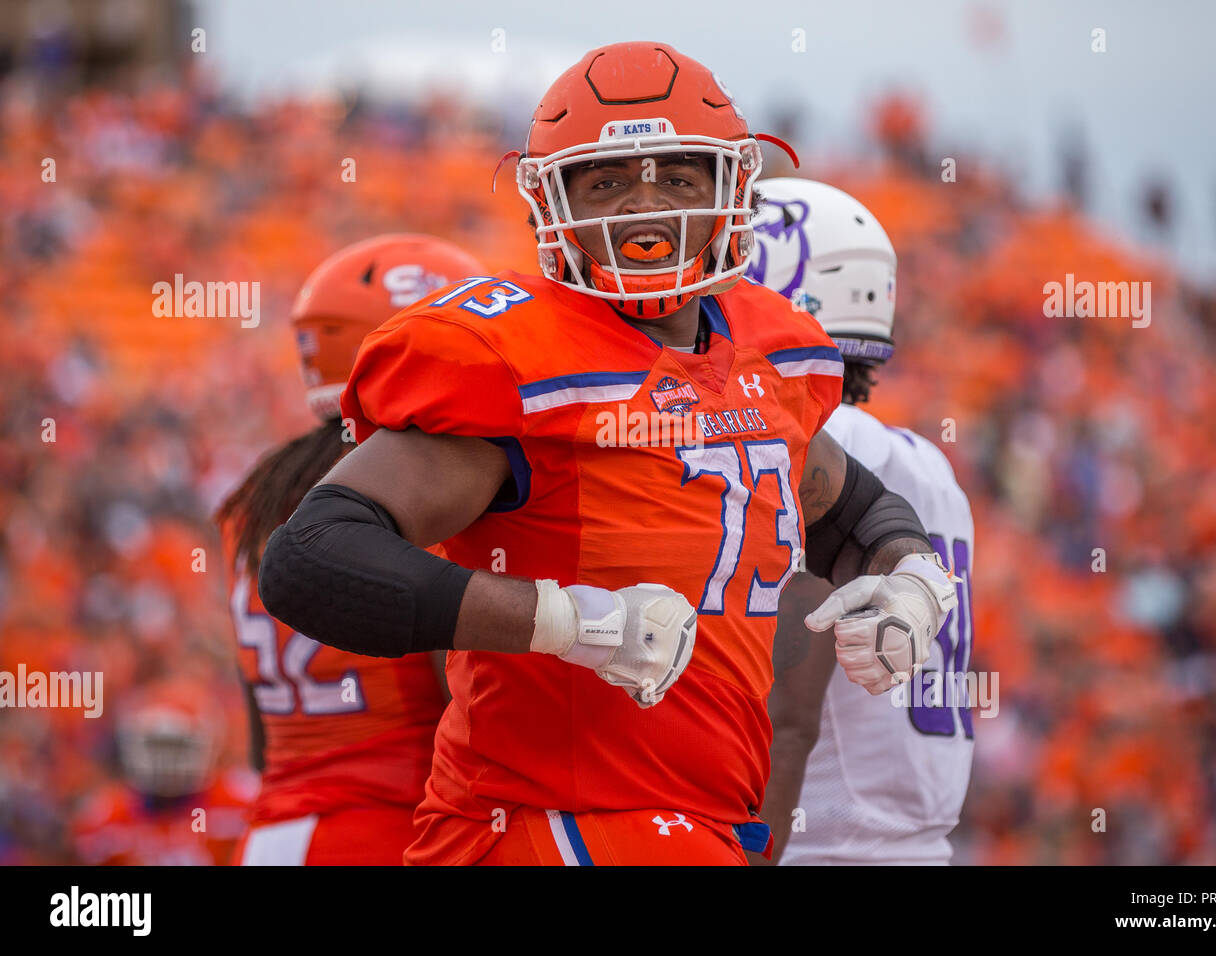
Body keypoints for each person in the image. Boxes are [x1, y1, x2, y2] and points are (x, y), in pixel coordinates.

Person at [258, 41, 957, 866]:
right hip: (544, 817)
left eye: (678, 175)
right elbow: (310, 558)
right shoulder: (516, 356)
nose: (644, 204)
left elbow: (853, 510)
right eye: (608, 180)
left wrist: (911, 580)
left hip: (696, 819)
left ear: (734, 189)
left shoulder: (773, 347)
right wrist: (565, 622)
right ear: (550, 201)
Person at [215, 234, 484, 864]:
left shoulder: (256, 495)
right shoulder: (411, 491)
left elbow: (259, 729)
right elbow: (466, 702)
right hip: (390, 830)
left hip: (272, 834)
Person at [750, 178, 974, 865]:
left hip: (818, 839)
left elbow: (789, 714)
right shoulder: (927, 462)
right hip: (911, 842)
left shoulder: (816, 440)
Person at [72, 678, 255, 866]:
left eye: (176, 747)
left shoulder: (236, 804)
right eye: (155, 746)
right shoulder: (108, 816)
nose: (165, 760)